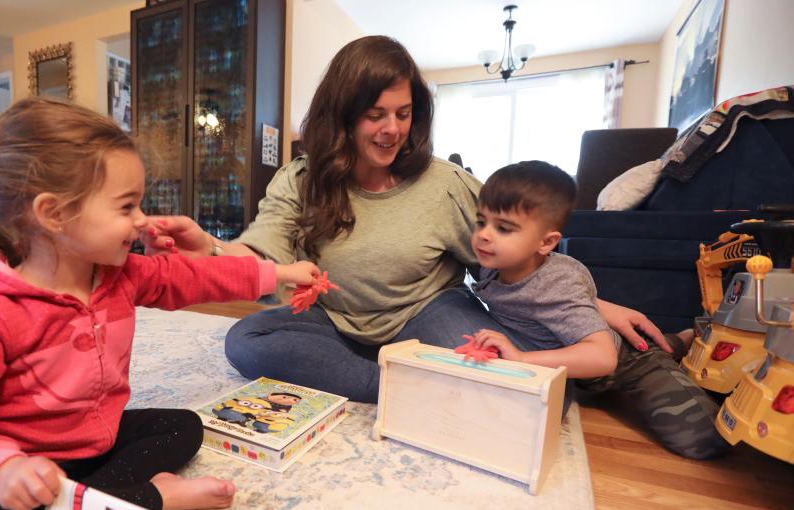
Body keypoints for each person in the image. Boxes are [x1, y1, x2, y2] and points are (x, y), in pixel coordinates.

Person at [0, 98, 320, 510]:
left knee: (184, 426)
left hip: (95, 446)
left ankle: (101, 504)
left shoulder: (120, 275)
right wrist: (2, 468)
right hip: (29, 469)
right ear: (54, 214)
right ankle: (150, 498)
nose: (142, 220)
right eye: (126, 206)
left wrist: (279, 272)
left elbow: (196, 279)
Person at [144, 35, 672, 404]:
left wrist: (594, 305)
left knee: (524, 384)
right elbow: (260, 254)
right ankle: (403, 385)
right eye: (376, 114)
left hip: (429, 314)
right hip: (335, 322)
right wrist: (210, 250)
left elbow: (516, 257)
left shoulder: (444, 183)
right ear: (343, 116)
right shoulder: (300, 180)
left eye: (403, 113)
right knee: (245, 342)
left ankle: (421, 374)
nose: (392, 129)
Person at [466, 160, 728, 459]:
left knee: (704, 440)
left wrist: (522, 358)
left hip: (625, 363)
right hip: (578, 368)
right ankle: (674, 340)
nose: (484, 235)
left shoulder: (557, 283)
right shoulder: (492, 264)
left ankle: (678, 343)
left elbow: (603, 357)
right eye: (480, 222)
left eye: (503, 228)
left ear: (546, 242)